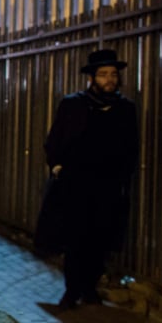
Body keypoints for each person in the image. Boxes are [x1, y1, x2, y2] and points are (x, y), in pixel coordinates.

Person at [39, 48, 138, 309]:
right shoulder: (74, 104)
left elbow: (131, 146)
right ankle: (72, 290)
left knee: (100, 237)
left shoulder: (124, 109)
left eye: (113, 75)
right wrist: (58, 165)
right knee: (75, 238)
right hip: (76, 183)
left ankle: (90, 287)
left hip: (108, 185)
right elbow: (55, 139)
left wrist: (123, 177)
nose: (109, 80)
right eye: (103, 74)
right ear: (92, 77)